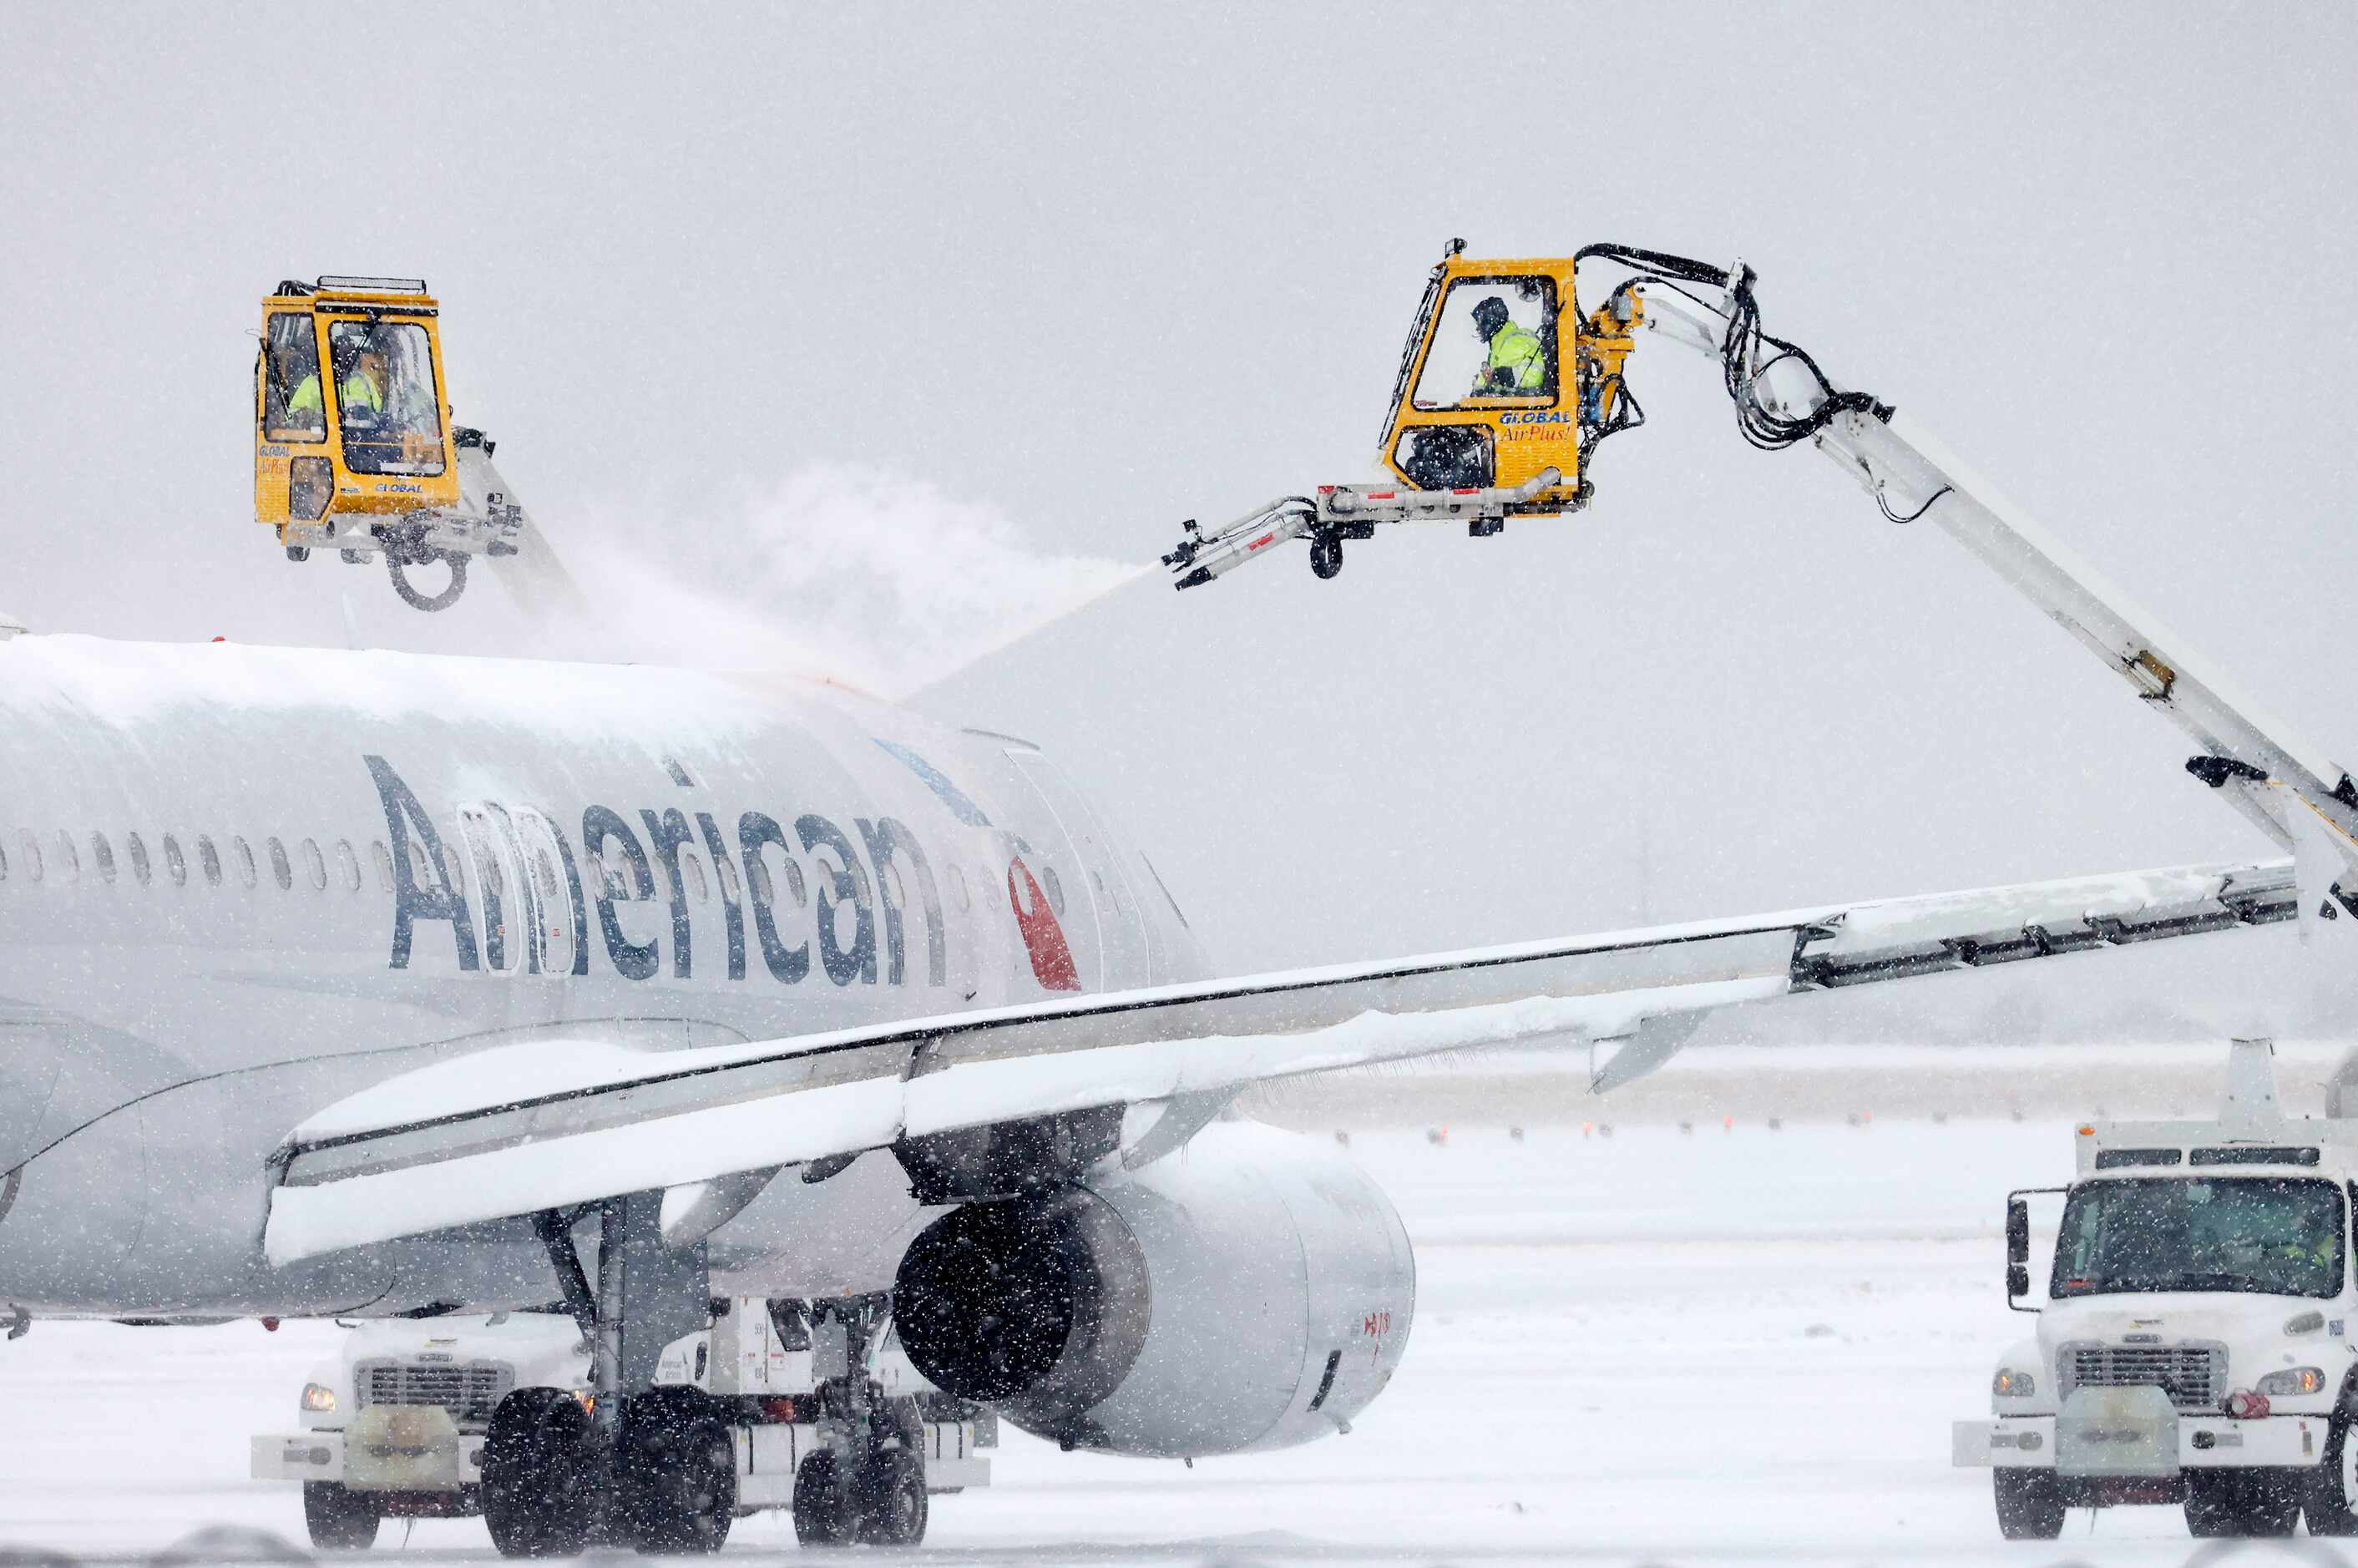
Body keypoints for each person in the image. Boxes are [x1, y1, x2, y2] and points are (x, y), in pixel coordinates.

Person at [1470, 295, 1545, 394]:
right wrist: (1478, 388)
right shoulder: (1497, 346)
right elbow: (1491, 383)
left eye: (1479, 324)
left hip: (1522, 406)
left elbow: (1536, 376)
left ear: (1489, 322)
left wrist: (1501, 375)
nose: (1477, 329)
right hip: (1507, 406)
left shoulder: (1517, 341)